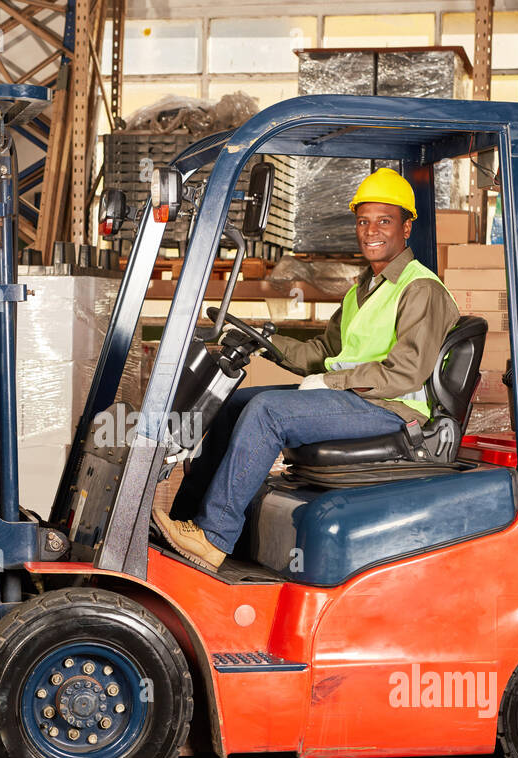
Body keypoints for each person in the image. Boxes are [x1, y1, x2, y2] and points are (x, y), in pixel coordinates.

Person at [153, 167, 461, 572]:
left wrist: (330, 381)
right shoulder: (363, 290)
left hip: (393, 410)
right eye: (363, 221)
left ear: (406, 227)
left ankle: (214, 537)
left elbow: (404, 374)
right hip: (356, 399)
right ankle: (187, 520)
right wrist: (265, 344)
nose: (371, 231)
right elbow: (324, 352)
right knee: (234, 401)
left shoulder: (419, 289)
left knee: (268, 410)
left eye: (384, 221)